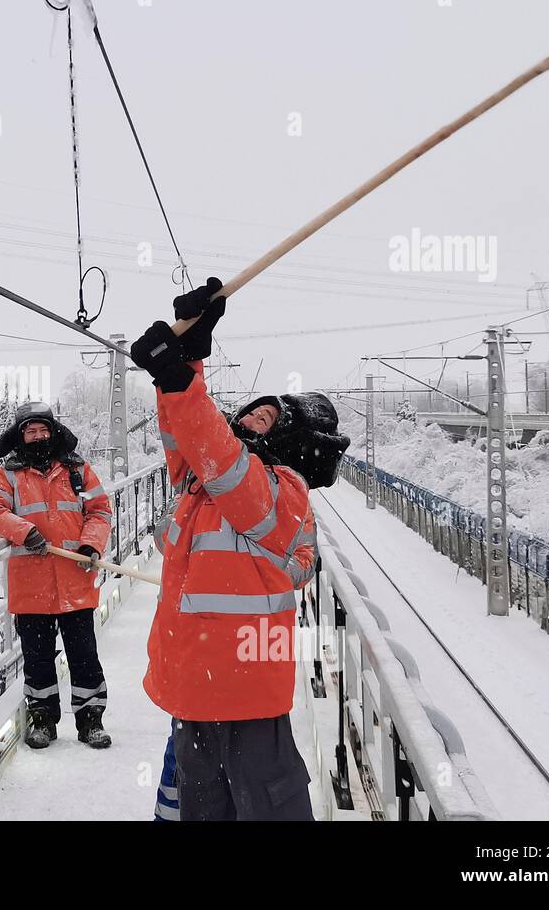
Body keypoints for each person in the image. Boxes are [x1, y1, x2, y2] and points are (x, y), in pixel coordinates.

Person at [131, 278, 350, 821]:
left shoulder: (283, 490)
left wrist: (180, 377)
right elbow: (189, 440)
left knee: (266, 810)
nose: (252, 416)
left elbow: (224, 463)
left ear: (294, 442)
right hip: (192, 682)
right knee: (201, 811)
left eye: (270, 418)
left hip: (245, 688)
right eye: (254, 410)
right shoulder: (203, 477)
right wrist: (190, 355)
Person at [0, 403, 114, 750]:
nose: (37, 437)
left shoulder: (78, 471)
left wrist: (90, 545)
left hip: (74, 580)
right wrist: (23, 531)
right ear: (20, 436)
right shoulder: (8, 476)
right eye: (30, 431)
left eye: (42, 430)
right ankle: (42, 719)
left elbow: (99, 511)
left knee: (84, 654)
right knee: (37, 658)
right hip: (31, 585)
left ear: (53, 432)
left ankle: (91, 719)